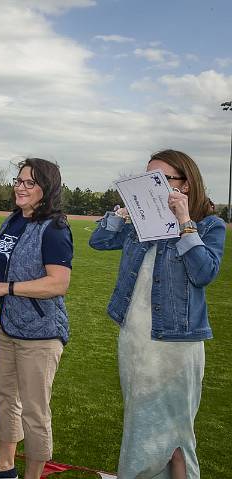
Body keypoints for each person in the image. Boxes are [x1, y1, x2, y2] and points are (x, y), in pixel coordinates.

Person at [89, 150, 226, 479]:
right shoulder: (139, 224)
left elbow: (204, 273)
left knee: (177, 431)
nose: (151, 187)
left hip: (176, 344)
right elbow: (99, 240)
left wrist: (184, 223)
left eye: (161, 180)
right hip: (134, 338)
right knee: (139, 420)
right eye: (146, 179)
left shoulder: (209, 225)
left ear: (186, 185)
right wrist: (119, 214)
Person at [0, 158, 73, 479]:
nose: (19, 187)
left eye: (29, 183)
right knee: (4, 398)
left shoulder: (54, 228)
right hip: (8, 327)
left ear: (46, 189)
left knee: (35, 412)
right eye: (18, 180)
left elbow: (58, 283)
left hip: (40, 334)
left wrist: (7, 288)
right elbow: (0, 263)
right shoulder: (14, 219)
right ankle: (4, 468)